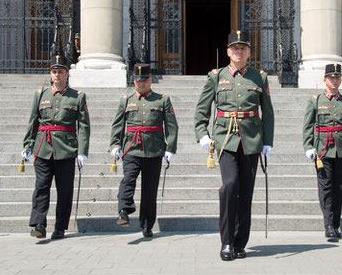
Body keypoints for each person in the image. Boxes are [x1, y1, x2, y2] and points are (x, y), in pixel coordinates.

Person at [194, 30, 275, 261]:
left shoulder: (259, 77)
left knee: (246, 192)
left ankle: (241, 243)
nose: (239, 52)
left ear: (249, 52)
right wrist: (202, 133)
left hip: (251, 140)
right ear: (228, 52)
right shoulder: (216, 76)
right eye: (235, 49)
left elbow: (267, 112)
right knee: (230, 186)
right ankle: (226, 241)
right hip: (225, 139)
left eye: (243, 48)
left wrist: (268, 141)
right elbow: (202, 108)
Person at [22, 55, 90, 240]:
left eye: (60, 72)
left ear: (67, 74)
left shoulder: (77, 96)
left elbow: (83, 126)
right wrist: (27, 144)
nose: (57, 75)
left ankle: (60, 227)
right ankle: (38, 224)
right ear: (50, 74)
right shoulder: (40, 95)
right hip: (43, 147)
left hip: (66, 149)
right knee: (41, 186)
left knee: (64, 190)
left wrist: (82, 151)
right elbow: (33, 121)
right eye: (54, 72)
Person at [109, 63, 178, 238]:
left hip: (154, 150)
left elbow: (171, 126)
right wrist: (115, 144)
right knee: (128, 180)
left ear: (150, 80)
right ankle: (124, 210)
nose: (140, 83)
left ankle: (147, 225)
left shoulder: (162, 100)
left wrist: (170, 147)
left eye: (144, 80)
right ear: (134, 80)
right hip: (132, 147)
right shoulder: (126, 100)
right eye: (137, 80)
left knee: (150, 190)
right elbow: (118, 125)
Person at [301, 63, 342, 239]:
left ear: (341, 80)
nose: (334, 81)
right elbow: (307, 126)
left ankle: (336, 222)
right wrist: (308, 146)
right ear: (324, 80)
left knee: (339, 188)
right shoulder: (315, 101)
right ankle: (328, 224)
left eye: (337, 78)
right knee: (326, 187)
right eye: (331, 78)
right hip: (322, 149)